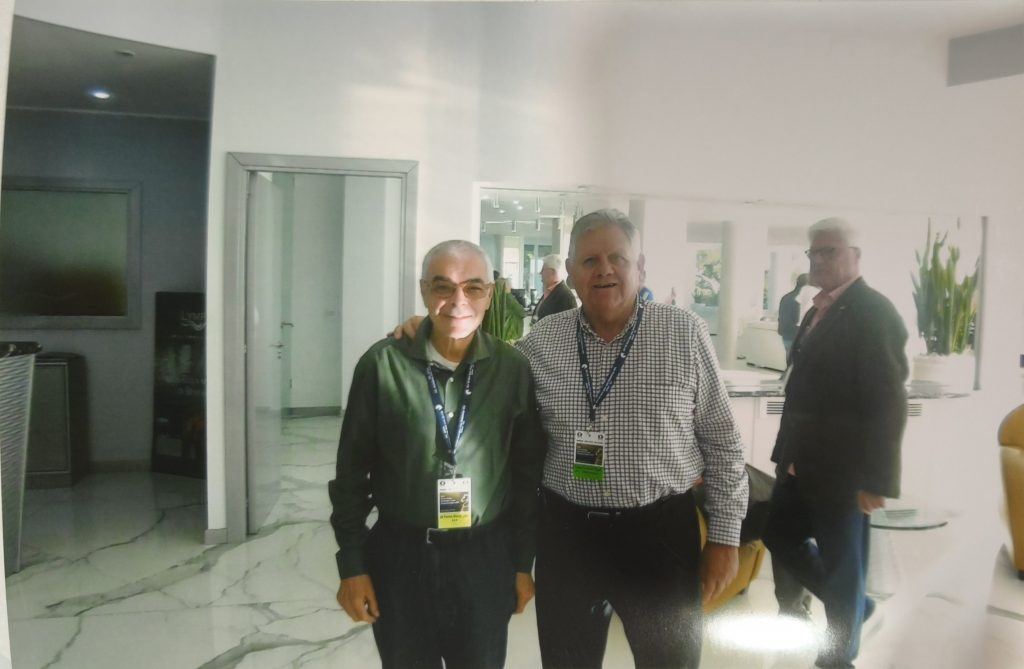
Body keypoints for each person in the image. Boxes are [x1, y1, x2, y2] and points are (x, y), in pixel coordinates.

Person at [394, 210, 747, 668]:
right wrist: (425, 329)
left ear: (640, 268)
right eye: (590, 260)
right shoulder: (542, 340)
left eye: (617, 258)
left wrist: (725, 538)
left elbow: (723, 443)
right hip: (567, 536)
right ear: (571, 272)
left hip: (659, 535)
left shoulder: (684, 332)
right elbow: (479, 367)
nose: (604, 269)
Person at [328, 240, 546, 669]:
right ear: (424, 290)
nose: (458, 301)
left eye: (473, 287)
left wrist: (522, 563)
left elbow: (525, 476)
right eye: (443, 286)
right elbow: (351, 475)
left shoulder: (512, 369)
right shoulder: (382, 365)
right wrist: (352, 565)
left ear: (490, 294)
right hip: (401, 557)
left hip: (484, 559)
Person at [763, 218, 909, 669]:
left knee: (843, 564)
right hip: (800, 463)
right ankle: (856, 607)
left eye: (830, 251)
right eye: (814, 252)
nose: (819, 260)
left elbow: (888, 402)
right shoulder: (817, 310)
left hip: (844, 471)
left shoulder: (874, 312)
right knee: (777, 533)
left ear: (856, 256)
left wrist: (877, 479)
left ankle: (838, 657)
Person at [531, 254, 577, 323]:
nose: (540, 273)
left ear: (552, 272)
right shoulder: (549, 291)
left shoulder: (566, 296)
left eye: (542, 270)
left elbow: (570, 324)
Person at [778, 273, 809, 358]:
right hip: (799, 336)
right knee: (800, 361)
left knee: (790, 359)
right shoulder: (804, 298)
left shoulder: (786, 297)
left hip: (786, 335)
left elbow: (783, 317)